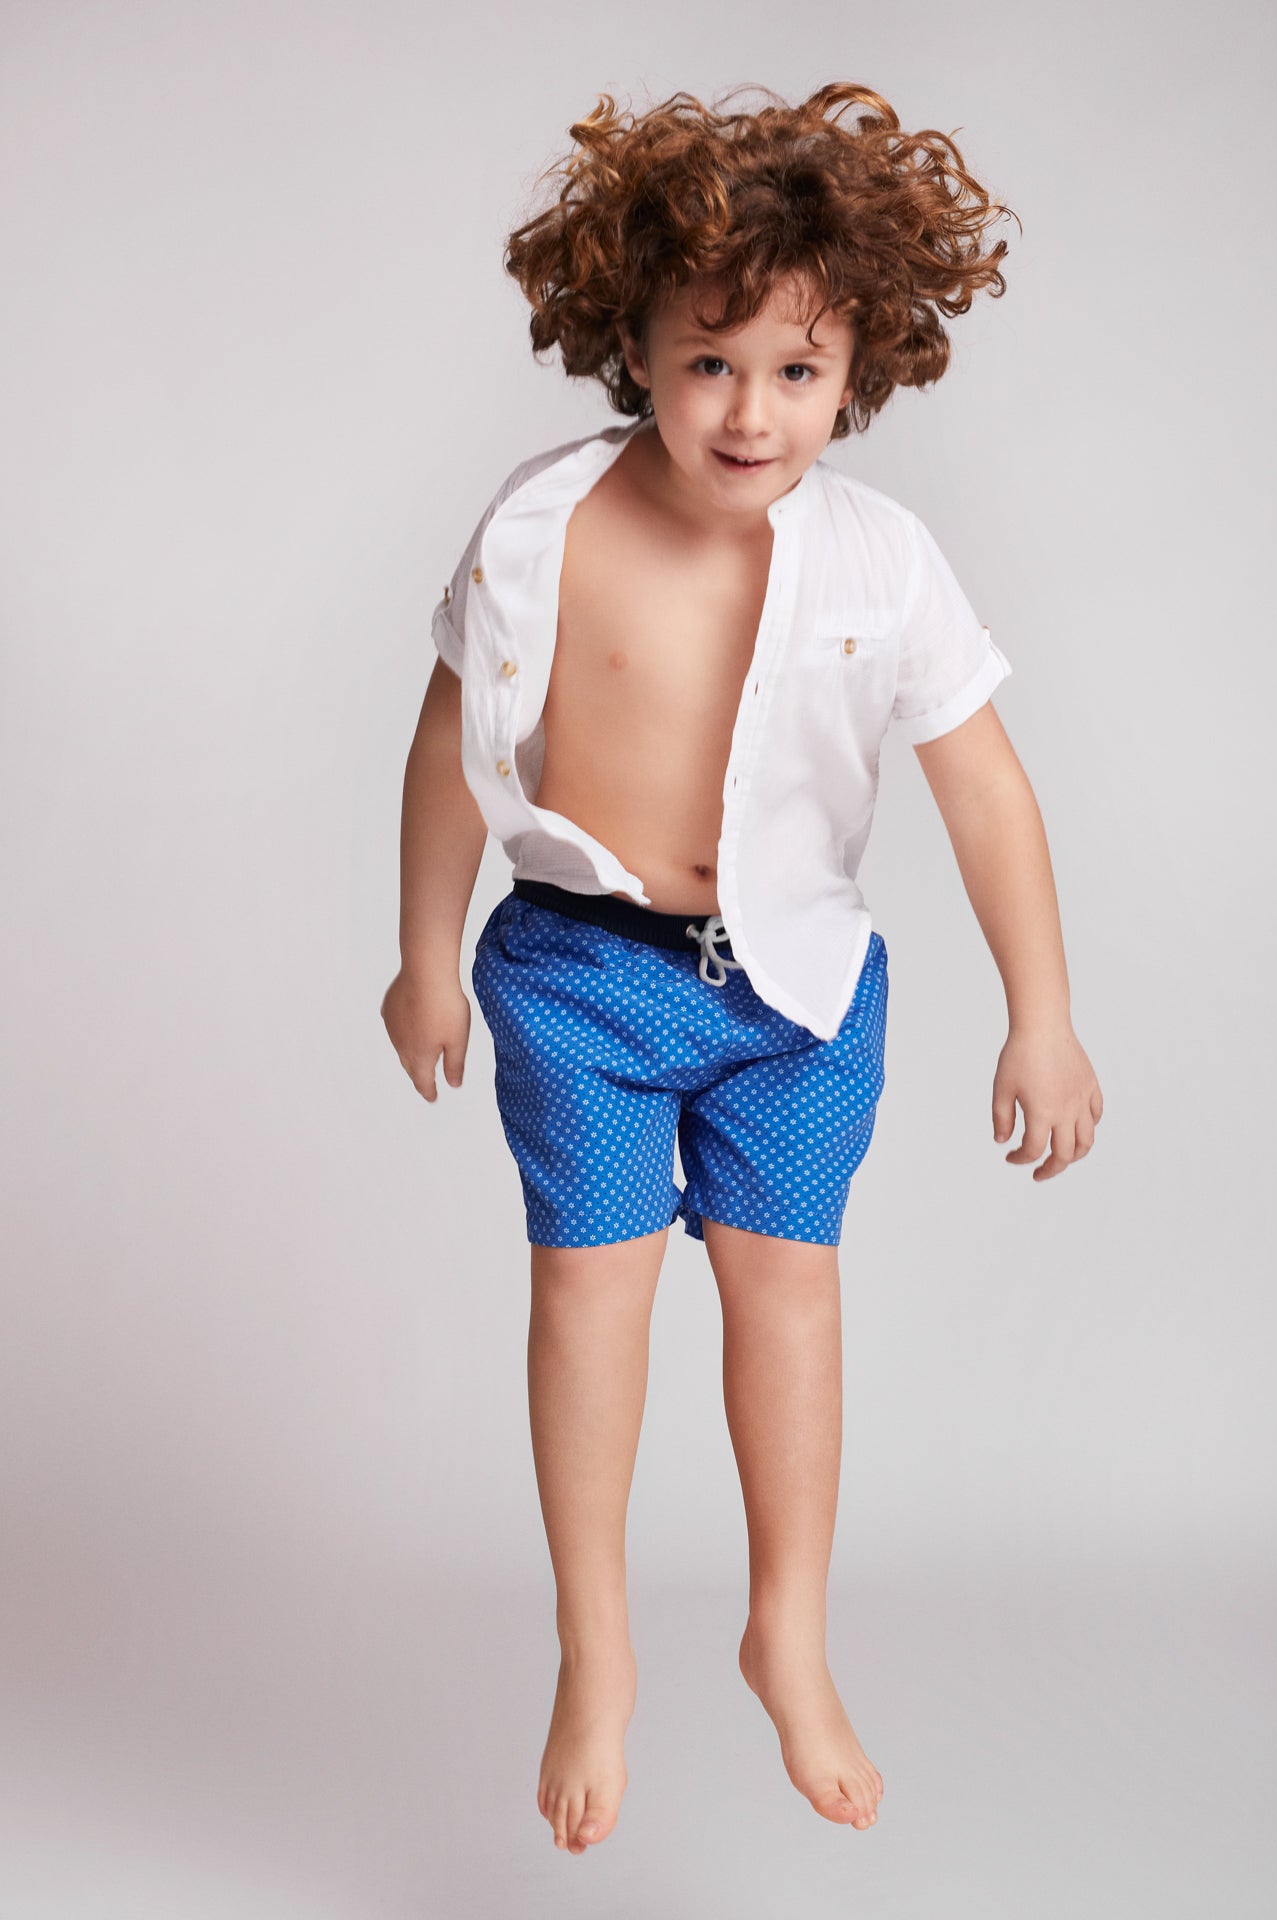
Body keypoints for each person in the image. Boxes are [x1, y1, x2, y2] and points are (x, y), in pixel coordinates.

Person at [381, 80, 1103, 1856]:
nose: (751, 410)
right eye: (708, 362)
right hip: (582, 977)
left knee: (790, 1291)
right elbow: (449, 748)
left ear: (861, 366)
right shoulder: (545, 527)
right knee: (592, 1292)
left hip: (798, 995)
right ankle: (598, 1641)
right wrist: (422, 958)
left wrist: (1046, 1014)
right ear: (628, 341)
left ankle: (788, 1627)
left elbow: (986, 793)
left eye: (796, 367)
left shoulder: (883, 560)